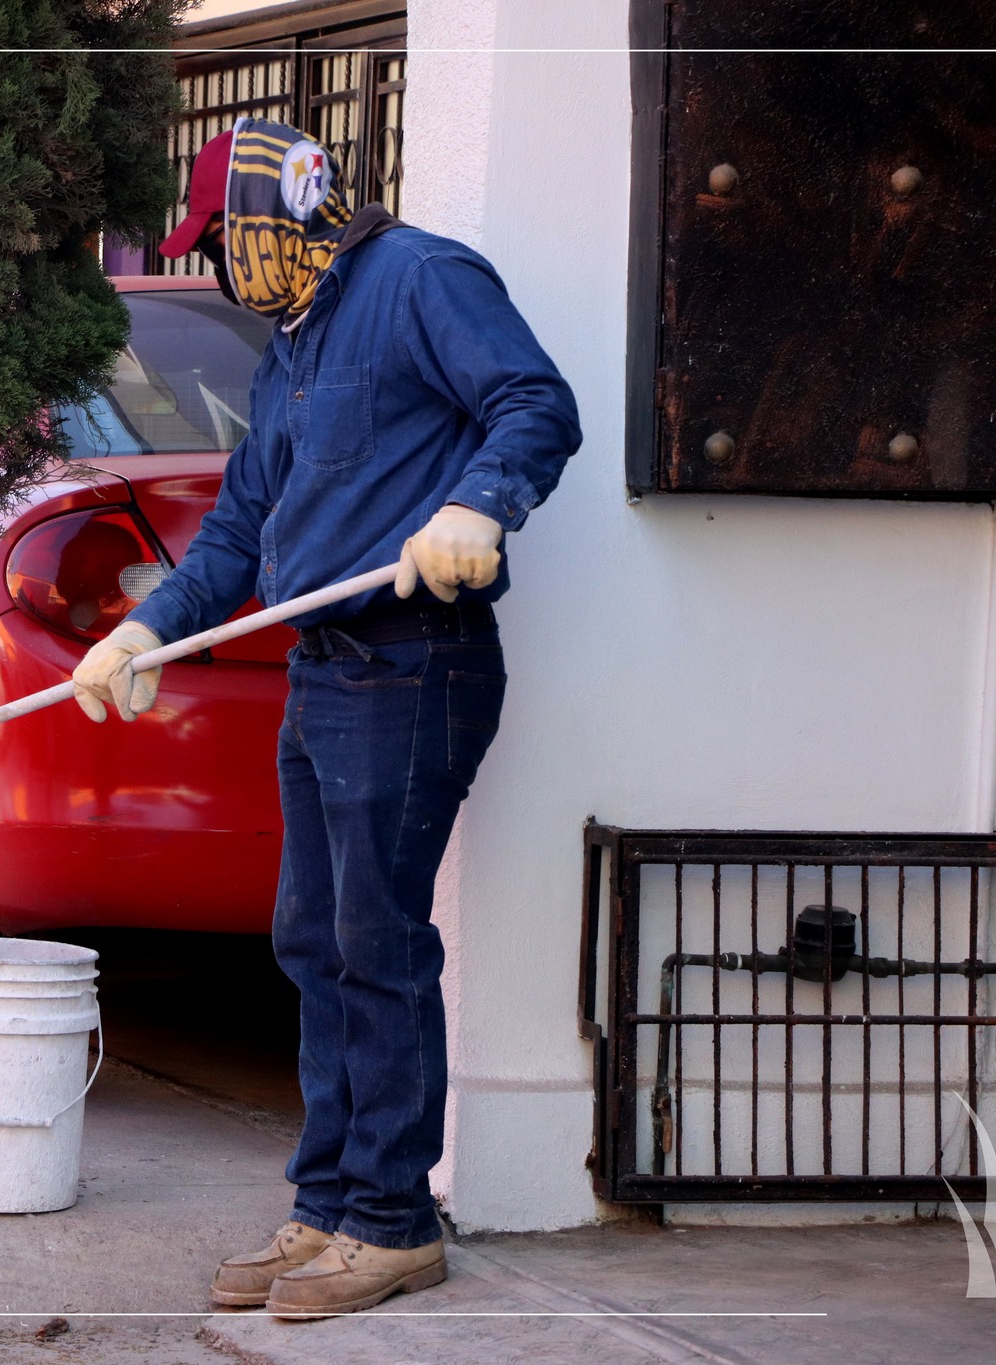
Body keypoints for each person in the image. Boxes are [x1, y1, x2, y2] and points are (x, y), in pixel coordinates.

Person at [71, 122, 581, 1319]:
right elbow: (243, 525)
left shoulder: (418, 279)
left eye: (219, 243)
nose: (213, 270)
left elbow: (532, 403)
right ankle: (327, 1206)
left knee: (374, 943)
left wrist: (477, 506)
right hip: (324, 672)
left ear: (278, 215)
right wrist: (143, 629)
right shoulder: (288, 349)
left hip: (414, 661)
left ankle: (394, 1224)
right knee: (312, 941)